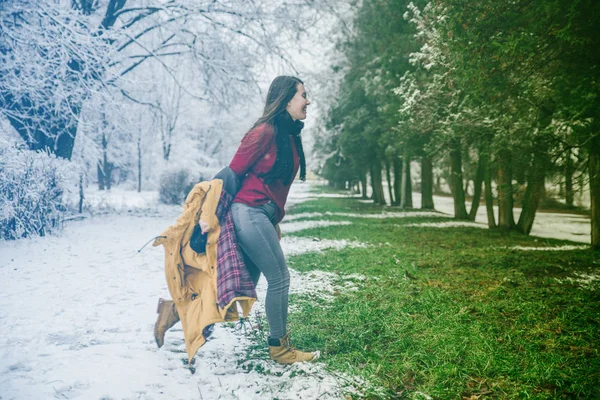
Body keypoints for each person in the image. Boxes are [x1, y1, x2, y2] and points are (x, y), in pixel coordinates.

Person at [226, 75, 319, 364]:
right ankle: (279, 348)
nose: (308, 101)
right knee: (279, 278)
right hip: (248, 212)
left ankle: (173, 313)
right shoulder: (265, 131)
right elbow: (232, 173)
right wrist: (207, 216)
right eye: (303, 95)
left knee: (241, 290)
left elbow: (270, 182)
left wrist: (273, 218)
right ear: (286, 99)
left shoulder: (287, 134)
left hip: (260, 215)